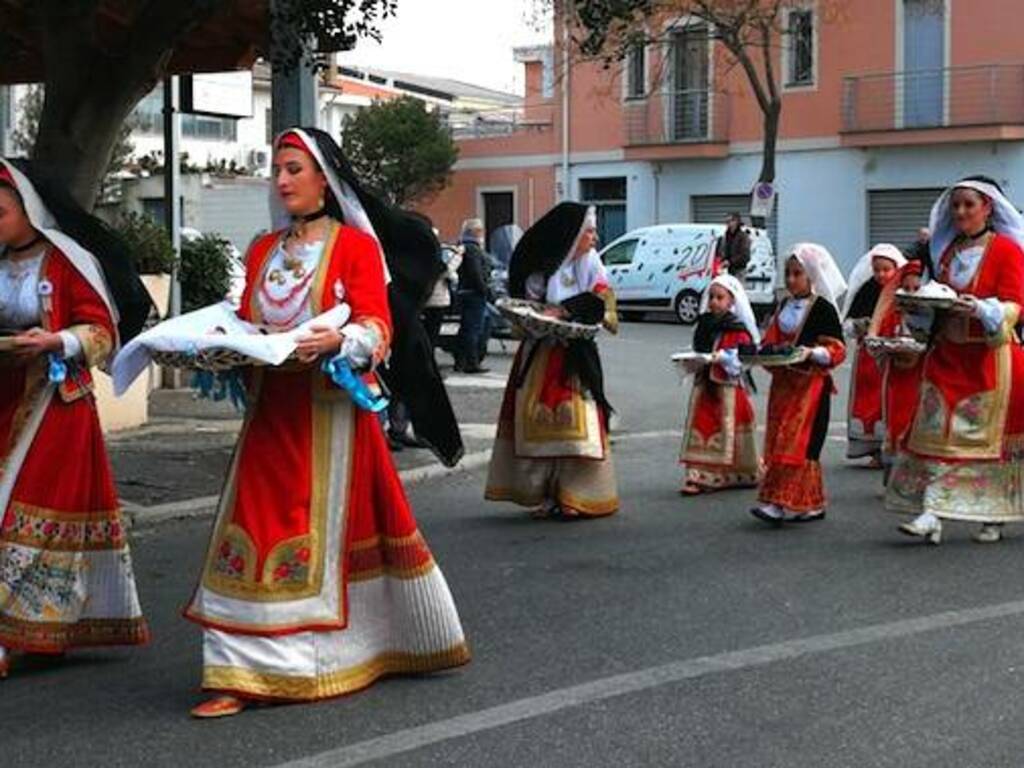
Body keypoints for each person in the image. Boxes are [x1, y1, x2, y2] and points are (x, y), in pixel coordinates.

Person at [183, 128, 469, 718]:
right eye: (277, 170)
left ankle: (328, 658)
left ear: (322, 179)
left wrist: (341, 338)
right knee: (251, 530)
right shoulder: (263, 249)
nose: (282, 180)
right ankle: (235, 670)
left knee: (318, 535)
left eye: (293, 169)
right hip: (270, 420)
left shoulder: (355, 248)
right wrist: (220, 344)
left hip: (331, 420)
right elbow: (249, 321)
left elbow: (377, 327)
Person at [0, 159, 152, 677]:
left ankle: (20, 630)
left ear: (29, 209)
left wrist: (58, 340)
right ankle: (34, 629)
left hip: (55, 408)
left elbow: (101, 333)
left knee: (25, 513)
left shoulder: (68, 262)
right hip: (4, 400)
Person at [887, 176, 1024, 545]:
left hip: (990, 360)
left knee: (984, 443)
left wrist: (980, 308)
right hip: (947, 357)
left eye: (969, 204)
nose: (961, 211)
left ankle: (994, 515)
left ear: (988, 208)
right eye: (957, 205)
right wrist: (916, 310)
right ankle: (931, 513)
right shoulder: (947, 254)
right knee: (935, 435)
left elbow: (1016, 305)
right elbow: (939, 300)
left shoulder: (1007, 251)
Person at [485, 202, 619, 519]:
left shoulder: (592, 266)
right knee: (537, 422)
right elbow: (527, 308)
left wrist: (567, 310)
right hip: (541, 355)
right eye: (589, 231)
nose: (594, 238)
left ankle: (577, 495)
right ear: (572, 235)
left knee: (577, 426)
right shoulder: (541, 271)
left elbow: (606, 308)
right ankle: (544, 492)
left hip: (576, 358)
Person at [750, 243, 847, 526]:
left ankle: (778, 504)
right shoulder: (783, 305)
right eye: (788, 274)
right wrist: (760, 353)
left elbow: (837, 350)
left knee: (798, 443)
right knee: (781, 438)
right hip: (784, 385)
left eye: (797, 274)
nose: (791, 280)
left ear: (811, 276)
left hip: (811, 388)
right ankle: (809, 503)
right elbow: (771, 341)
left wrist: (813, 353)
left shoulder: (823, 309)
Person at [678, 274, 760, 495]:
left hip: (729, 388)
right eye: (711, 296)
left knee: (728, 425)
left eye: (720, 297)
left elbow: (742, 360)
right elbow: (700, 348)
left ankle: (733, 472)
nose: (714, 301)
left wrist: (722, 358)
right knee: (703, 425)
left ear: (731, 301)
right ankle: (698, 475)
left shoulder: (738, 329)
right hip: (706, 384)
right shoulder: (705, 324)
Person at [841, 244, 907, 466]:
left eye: (886, 270)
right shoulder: (868, 290)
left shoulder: (904, 291)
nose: (881, 275)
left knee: (887, 401)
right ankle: (872, 448)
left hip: (893, 356)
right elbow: (849, 323)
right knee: (867, 401)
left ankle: (889, 447)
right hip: (868, 358)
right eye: (877, 269)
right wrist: (861, 326)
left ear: (896, 268)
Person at [870, 260, 926, 481]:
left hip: (920, 376)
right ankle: (893, 472)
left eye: (916, 288)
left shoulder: (930, 316)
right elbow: (882, 337)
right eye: (906, 289)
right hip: (896, 378)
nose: (911, 294)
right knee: (895, 421)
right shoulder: (893, 312)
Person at [455, 218, 491, 373]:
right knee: (474, 329)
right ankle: (472, 363)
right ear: (475, 232)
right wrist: (485, 290)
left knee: (466, 328)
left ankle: (461, 361)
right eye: (481, 230)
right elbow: (476, 273)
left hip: (464, 292)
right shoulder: (473, 250)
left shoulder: (462, 247)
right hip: (474, 294)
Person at [715, 212, 751, 277]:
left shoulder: (743, 236)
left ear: (737, 222)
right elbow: (722, 251)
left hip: (739, 271)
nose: (728, 223)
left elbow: (745, 255)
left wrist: (730, 262)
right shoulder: (726, 235)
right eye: (727, 221)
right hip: (727, 270)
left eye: (730, 221)